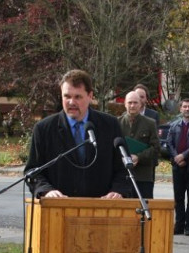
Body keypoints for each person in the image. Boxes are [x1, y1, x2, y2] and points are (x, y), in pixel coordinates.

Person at [25, 69, 127, 199]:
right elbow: (33, 171)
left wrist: (118, 190)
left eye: (77, 97)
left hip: (101, 205)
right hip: (59, 207)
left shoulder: (110, 125)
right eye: (67, 96)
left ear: (90, 96)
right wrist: (46, 190)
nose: (71, 102)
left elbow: (124, 169)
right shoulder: (44, 129)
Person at [119, 90, 160, 199]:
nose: (132, 105)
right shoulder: (117, 123)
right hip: (123, 175)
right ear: (125, 104)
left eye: (135, 102)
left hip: (143, 176)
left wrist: (139, 157)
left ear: (140, 104)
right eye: (130, 102)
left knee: (143, 206)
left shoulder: (150, 123)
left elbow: (156, 148)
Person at [167, 99, 189, 235]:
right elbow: (169, 144)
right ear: (180, 109)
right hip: (177, 166)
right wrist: (176, 157)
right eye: (184, 107)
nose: (187, 109)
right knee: (178, 198)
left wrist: (183, 156)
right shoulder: (174, 125)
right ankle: (179, 225)